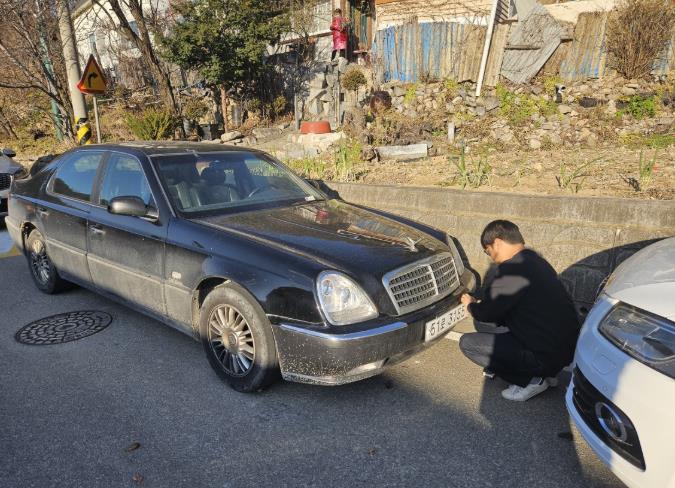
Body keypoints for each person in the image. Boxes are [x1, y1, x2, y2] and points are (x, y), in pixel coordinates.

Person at [458, 220, 581, 402]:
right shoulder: (536, 261)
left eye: (487, 250)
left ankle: (532, 379)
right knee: (497, 328)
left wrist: (470, 304)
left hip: (542, 354)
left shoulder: (511, 269)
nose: (490, 256)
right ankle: (546, 373)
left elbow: (487, 313)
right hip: (564, 349)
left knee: (468, 343)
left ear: (497, 243)